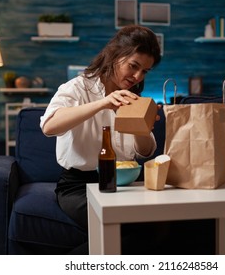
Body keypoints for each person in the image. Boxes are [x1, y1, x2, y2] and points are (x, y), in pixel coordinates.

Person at [40, 25, 161, 254]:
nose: (137, 76)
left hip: (126, 185)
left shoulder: (135, 99)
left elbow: (146, 152)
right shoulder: (78, 87)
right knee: (133, 229)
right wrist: (103, 103)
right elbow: (49, 126)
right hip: (79, 186)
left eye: (145, 71)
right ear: (115, 55)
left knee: (159, 224)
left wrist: (142, 126)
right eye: (133, 66)